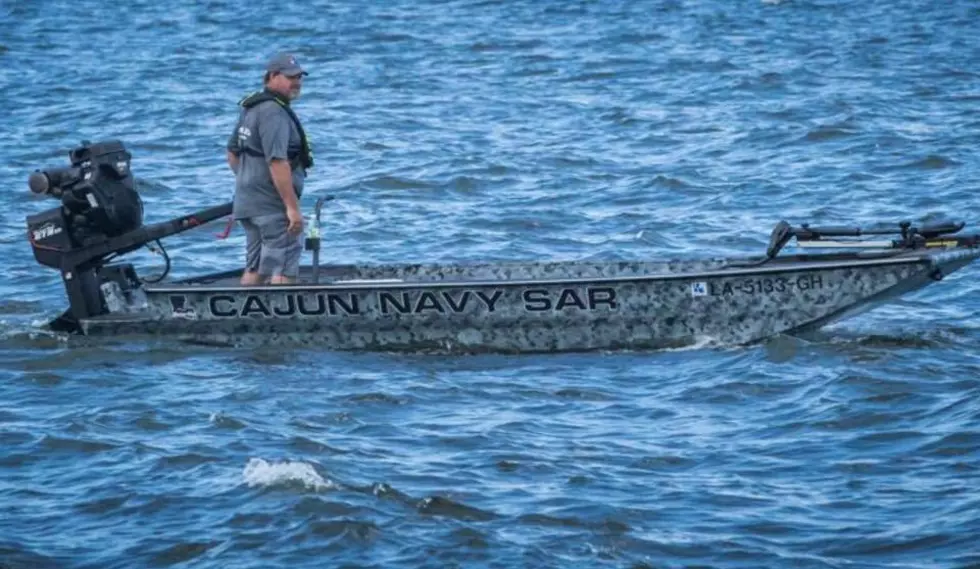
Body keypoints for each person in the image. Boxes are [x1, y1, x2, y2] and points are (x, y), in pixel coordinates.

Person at [226, 52, 314, 285]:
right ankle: (280, 319)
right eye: (290, 77)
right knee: (282, 267)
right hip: (271, 205)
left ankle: (244, 317)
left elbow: (233, 153)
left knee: (256, 267)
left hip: (248, 202)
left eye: (299, 77)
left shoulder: (251, 107)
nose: (297, 82)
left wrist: (250, 182)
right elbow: (277, 162)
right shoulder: (273, 113)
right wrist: (292, 209)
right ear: (272, 76)